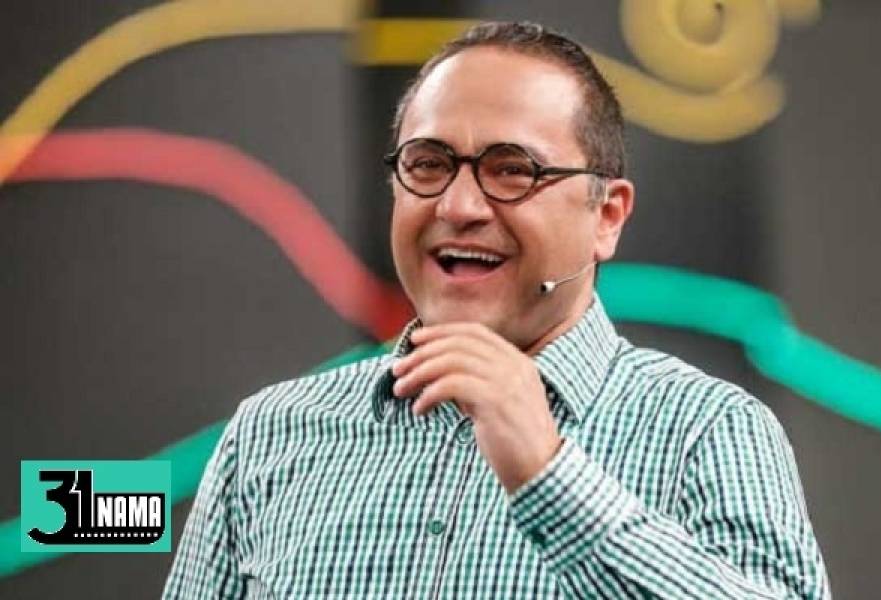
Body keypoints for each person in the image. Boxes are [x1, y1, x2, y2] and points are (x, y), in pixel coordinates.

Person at [163, 21, 830, 598]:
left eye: (513, 170)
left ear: (607, 216)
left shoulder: (706, 430)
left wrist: (548, 473)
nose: (458, 206)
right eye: (428, 164)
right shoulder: (270, 435)